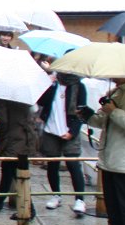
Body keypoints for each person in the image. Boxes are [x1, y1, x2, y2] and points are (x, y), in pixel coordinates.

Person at [37, 68, 88, 213]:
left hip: (69, 129)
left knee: (73, 164)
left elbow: (81, 111)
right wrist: (46, 84)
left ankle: (80, 199)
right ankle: (56, 195)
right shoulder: (53, 84)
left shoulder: (79, 86)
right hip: (51, 129)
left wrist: (72, 132)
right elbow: (42, 101)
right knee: (52, 164)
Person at [91, 78, 125, 225]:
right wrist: (88, 115)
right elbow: (103, 121)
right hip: (109, 158)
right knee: (113, 206)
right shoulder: (115, 91)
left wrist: (114, 111)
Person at [0, 96, 39, 214]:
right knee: (9, 172)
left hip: (12, 140)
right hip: (25, 137)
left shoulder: (2, 98)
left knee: (17, 173)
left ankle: (29, 208)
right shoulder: (24, 97)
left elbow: (3, 122)